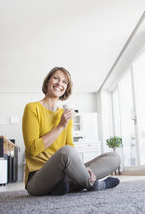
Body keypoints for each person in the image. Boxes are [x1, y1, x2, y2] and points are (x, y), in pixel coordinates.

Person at [22, 67, 121, 196]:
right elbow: (32, 149)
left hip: (65, 174)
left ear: (66, 88)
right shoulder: (32, 108)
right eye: (56, 78)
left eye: (64, 82)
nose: (59, 84)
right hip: (38, 179)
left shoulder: (65, 115)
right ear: (47, 82)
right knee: (66, 152)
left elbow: (71, 146)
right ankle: (95, 184)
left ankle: (67, 185)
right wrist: (60, 126)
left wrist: (83, 169)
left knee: (114, 158)